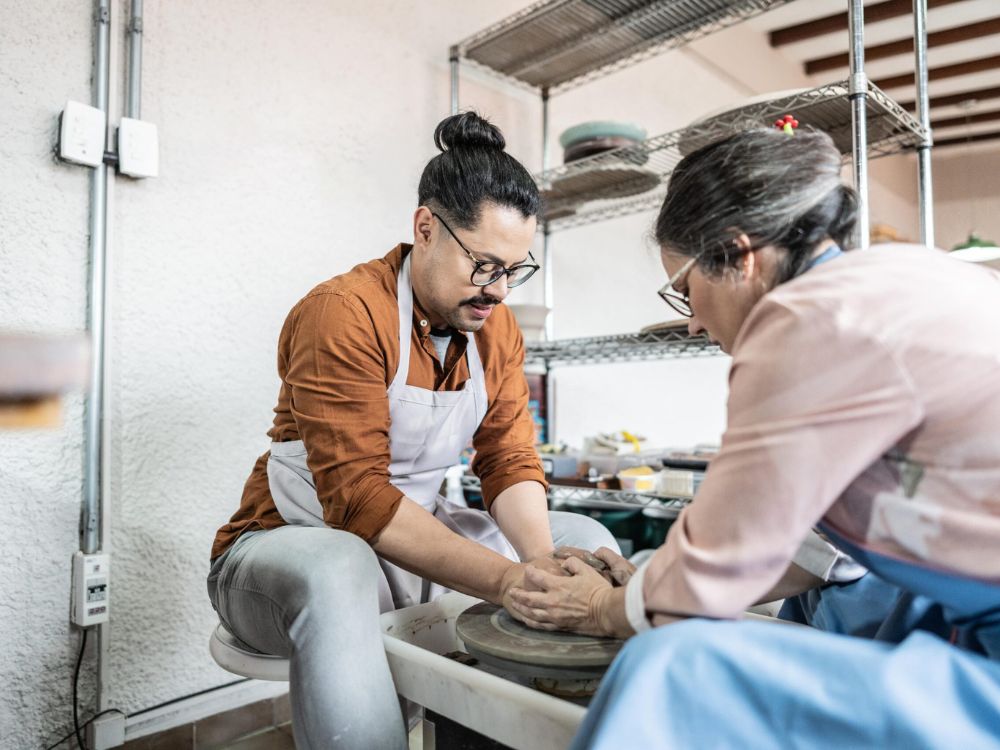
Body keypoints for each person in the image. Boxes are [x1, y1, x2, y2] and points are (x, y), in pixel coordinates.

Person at [506, 128, 1000, 748]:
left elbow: (716, 574)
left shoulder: (801, 322)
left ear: (739, 256)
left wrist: (604, 609)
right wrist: (643, 577)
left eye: (685, 289)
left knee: (670, 668)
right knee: (814, 612)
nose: (690, 320)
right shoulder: (890, 278)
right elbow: (810, 542)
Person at [206, 112, 616, 750]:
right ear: (426, 228)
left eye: (514, 269)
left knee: (579, 539)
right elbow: (358, 499)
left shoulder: (494, 326)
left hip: (414, 534)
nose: (500, 291)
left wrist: (541, 563)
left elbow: (507, 458)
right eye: (485, 265)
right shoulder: (343, 313)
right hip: (288, 548)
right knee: (342, 564)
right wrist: (510, 582)